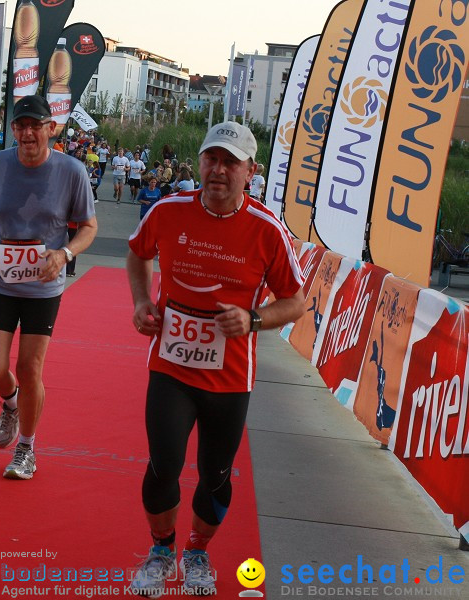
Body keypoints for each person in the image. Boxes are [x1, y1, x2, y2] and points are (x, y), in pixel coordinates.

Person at [126, 122, 305, 596]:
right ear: (199, 161)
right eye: (211, 158)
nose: (218, 170)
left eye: (230, 162)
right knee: (163, 464)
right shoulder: (168, 210)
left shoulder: (267, 229)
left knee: (215, 475)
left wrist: (255, 320)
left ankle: (198, 552)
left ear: (250, 171)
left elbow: (295, 301)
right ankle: (161, 549)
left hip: (229, 377)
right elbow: (137, 254)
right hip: (171, 365)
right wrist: (142, 302)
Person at [0, 94, 97, 480]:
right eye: (21, 126)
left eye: (36, 125)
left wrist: (65, 253)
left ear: (51, 128)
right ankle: (10, 403)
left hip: (43, 288)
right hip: (0, 283)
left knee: (30, 367)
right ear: (13, 129)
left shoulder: (71, 172)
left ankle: (26, 449)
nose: (28, 133)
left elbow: (88, 227)